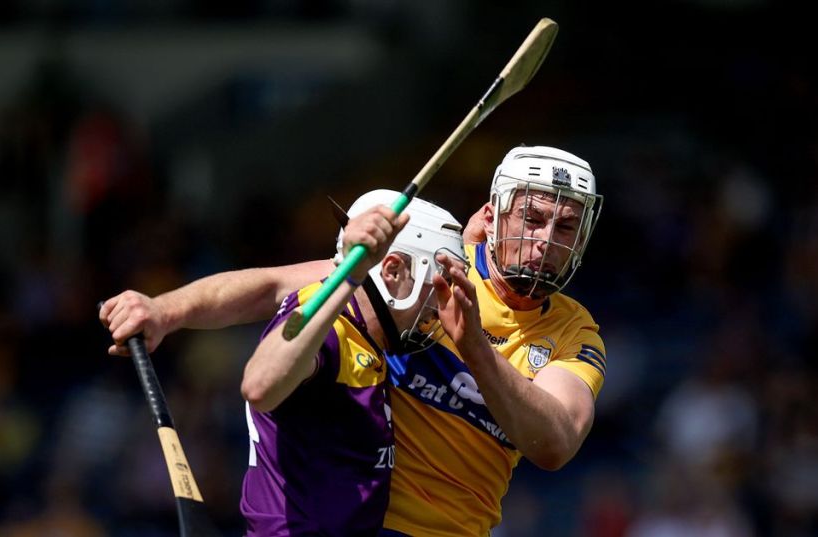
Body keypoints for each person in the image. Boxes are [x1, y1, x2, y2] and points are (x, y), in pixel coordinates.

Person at [100, 145, 606, 535]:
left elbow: (554, 443)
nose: (546, 241)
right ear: (493, 217)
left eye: (565, 227)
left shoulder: (573, 331)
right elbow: (276, 287)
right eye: (532, 219)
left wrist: (473, 346)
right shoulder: (426, 262)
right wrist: (164, 310)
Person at [218, 190, 465, 535]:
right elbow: (259, 384)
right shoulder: (331, 327)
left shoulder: (372, 345)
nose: (440, 307)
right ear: (393, 271)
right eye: (437, 285)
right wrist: (350, 276)